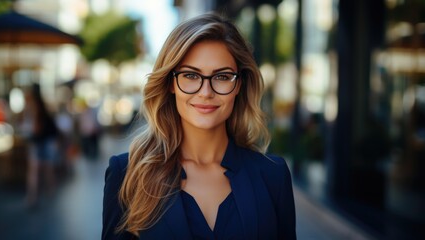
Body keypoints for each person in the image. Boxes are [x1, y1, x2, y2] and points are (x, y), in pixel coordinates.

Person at [102, 13, 296, 240]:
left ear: (238, 85)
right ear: (171, 83)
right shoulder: (127, 174)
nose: (206, 93)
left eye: (222, 77)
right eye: (191, 75)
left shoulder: (273, 175)